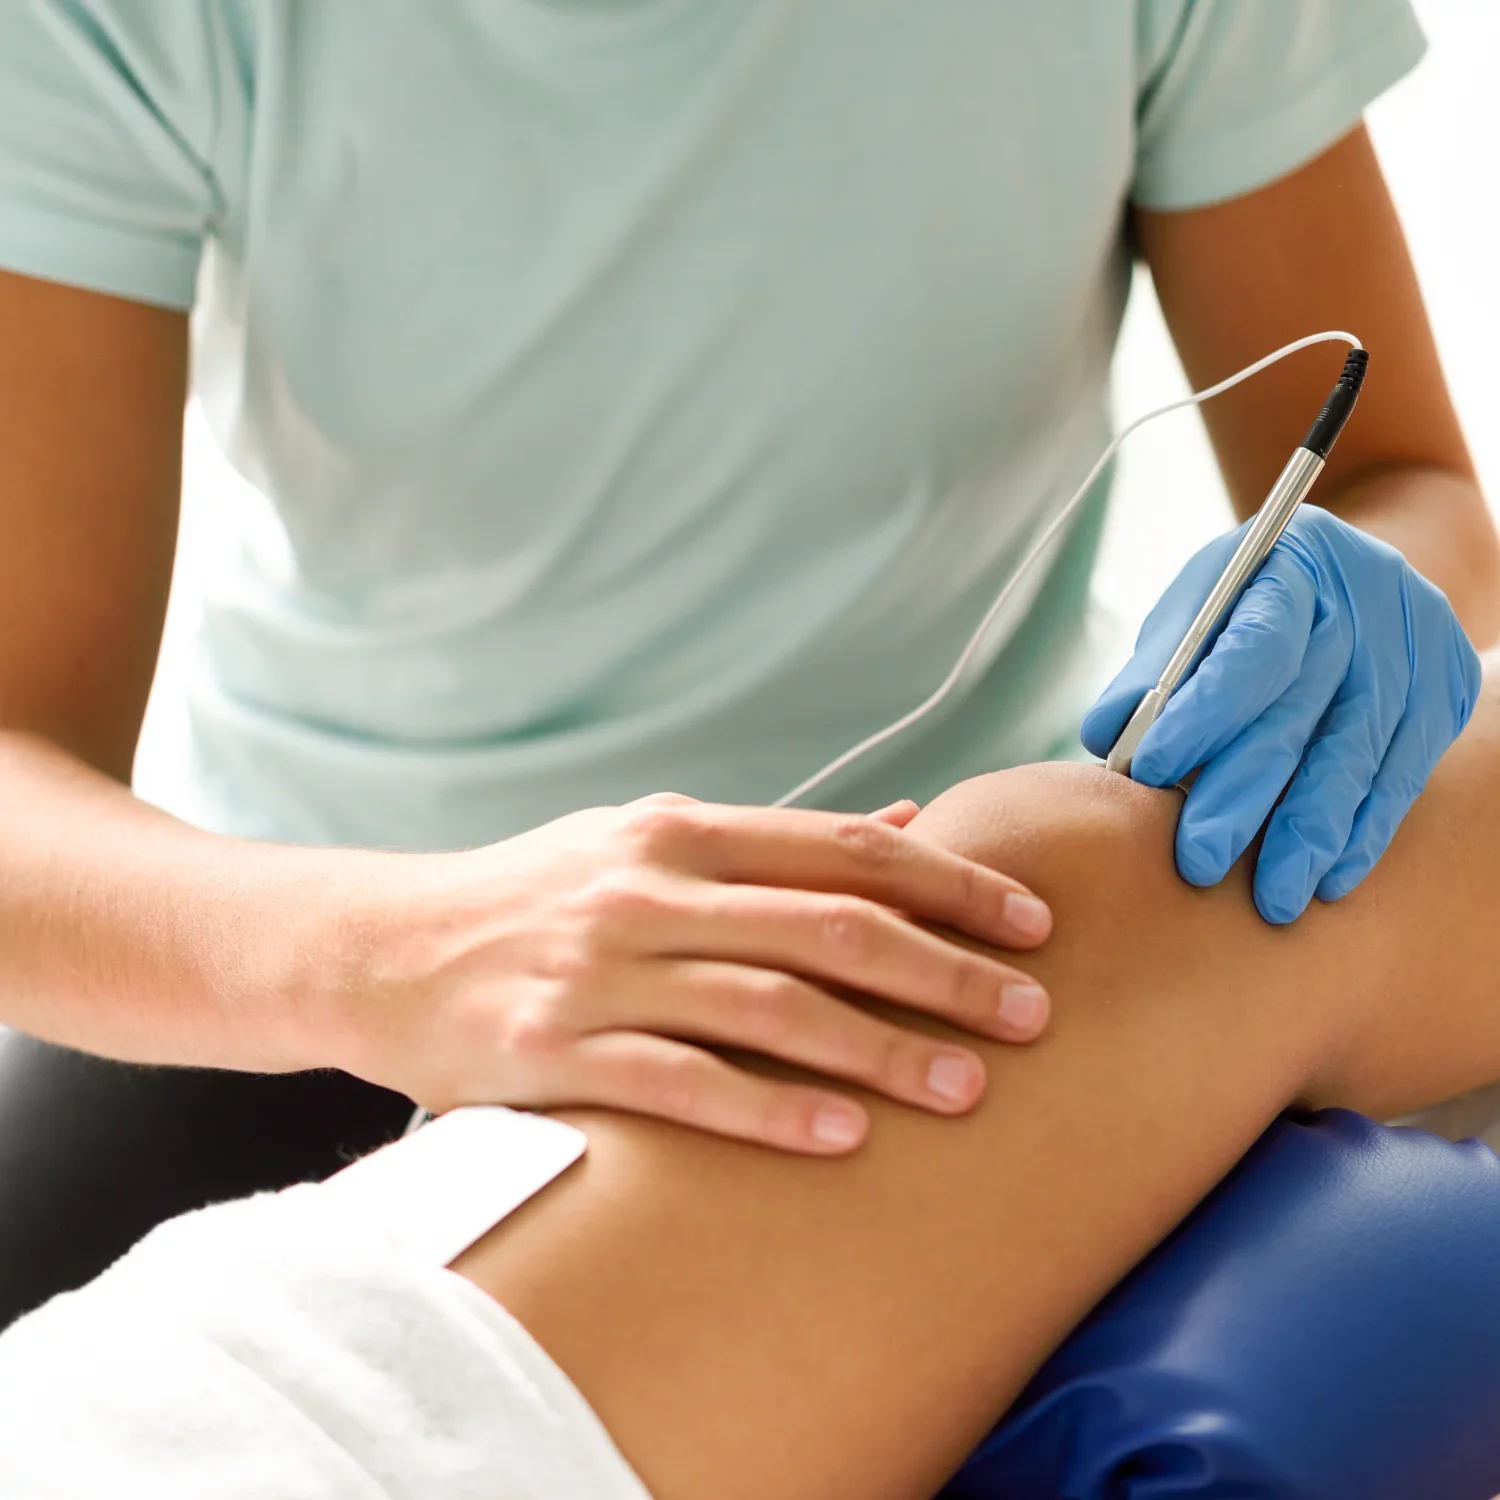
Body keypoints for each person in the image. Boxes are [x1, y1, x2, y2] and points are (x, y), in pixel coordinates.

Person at [0, 0, 1496, 1325]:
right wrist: (401, 953)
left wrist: (1347, 595)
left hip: (961, 944)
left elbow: (1402, 482)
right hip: (319, 968)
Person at [10, 656, 1500, 1498]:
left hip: (817, 925)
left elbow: (1403, 491)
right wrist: (372, 948)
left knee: (1109, 888)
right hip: (307, 919)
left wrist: (1351, 629)